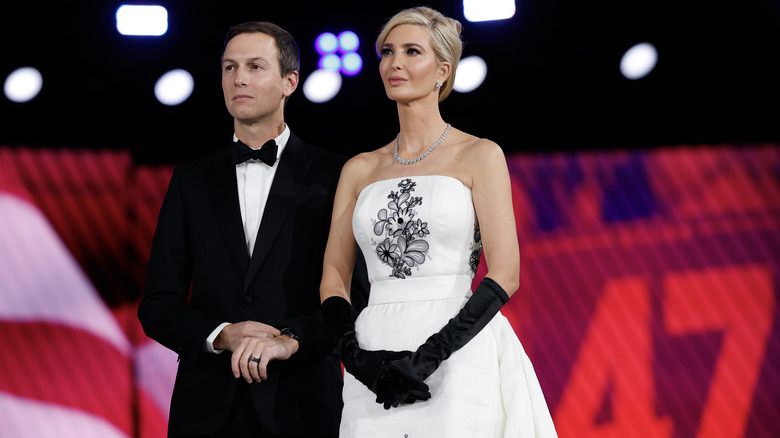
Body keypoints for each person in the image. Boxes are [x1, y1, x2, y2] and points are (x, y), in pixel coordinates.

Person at [319, 6, 558, 437]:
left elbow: (506, 273)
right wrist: (358, 360)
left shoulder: (479, 155)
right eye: (388, 52)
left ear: (442, 71)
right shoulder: (359, 169)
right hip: (375, 351)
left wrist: (431, 355)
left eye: (412, 52)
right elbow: (334, 278)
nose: (395, 63)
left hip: (457, 347)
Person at [138, 21, 368, 438]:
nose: (238, 78)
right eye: (229, 68)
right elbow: (157, 304)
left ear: (290, 81)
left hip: (303, 404)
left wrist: (292, 339)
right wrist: (222, 335)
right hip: (205, 409)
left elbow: (358, 295)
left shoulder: (337, 175)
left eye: (255, 66)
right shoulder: (190, 179)